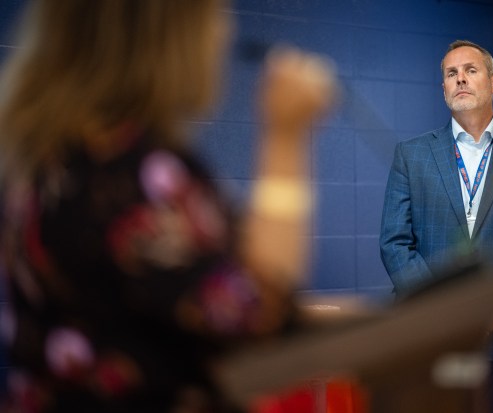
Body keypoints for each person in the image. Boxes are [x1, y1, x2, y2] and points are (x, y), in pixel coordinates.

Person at [0, 1, 335, 412]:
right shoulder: (132, 175)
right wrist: (287, 136)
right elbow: (257, 315)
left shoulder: (35, 164)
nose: (222, 33)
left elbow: (189, 290)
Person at [379, 39, 493, 413]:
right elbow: (395, 243)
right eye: (452, 73)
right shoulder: (411, 155)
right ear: (443, 88)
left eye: (470, 70)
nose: (460, 79)